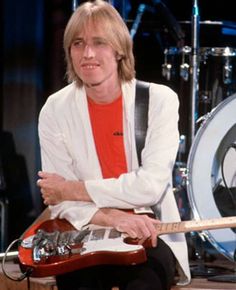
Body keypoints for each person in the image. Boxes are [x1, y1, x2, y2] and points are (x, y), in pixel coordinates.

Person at [37, 1, 191, 289]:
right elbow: (60, 204)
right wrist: (112, 217)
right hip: (85, 233)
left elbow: (149, 186)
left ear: (120, 49)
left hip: (149, 232)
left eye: (99, 43)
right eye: (78, 43)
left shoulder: (159, 100)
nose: (88, 54)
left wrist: (73, 188)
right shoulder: (54, 109)